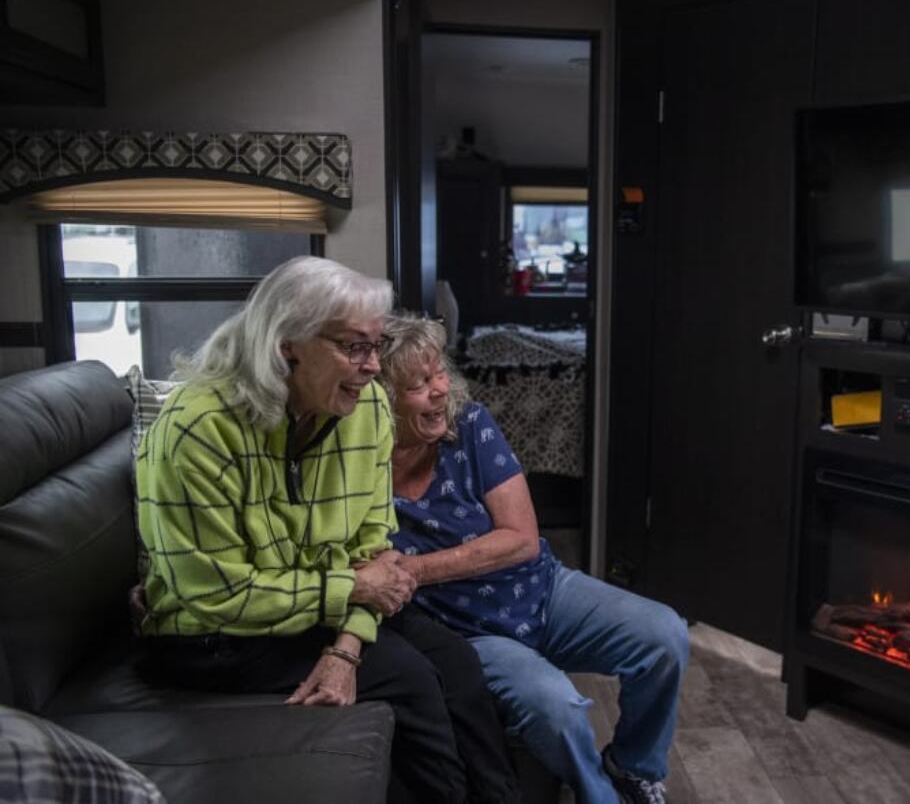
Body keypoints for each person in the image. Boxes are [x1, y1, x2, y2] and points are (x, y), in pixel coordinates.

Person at [134, 256, 518, 804]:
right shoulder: (197, 430)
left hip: (316, 605)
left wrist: (346, 647)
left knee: (455, 664)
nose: (370, 368)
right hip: (210, 635)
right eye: (353, 347)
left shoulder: (366, 414)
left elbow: (373, 554)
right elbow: (215, 594)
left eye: (376, 347)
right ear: (287, 342)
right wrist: (353, 592)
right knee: (409, 679)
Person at [380, 312, 690, 804]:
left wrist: (415, 570)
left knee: (665, 635)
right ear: (382, 399)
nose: (439, 389)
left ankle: (632, 767)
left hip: (542, 590)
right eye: (419, 384)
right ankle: (598, 794)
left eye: (439, 371)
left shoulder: (471, 425)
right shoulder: (356, 469)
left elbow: (521, 539)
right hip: (469, 633)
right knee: (557, 709)